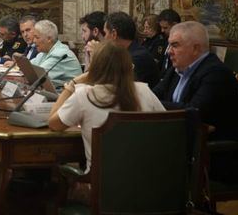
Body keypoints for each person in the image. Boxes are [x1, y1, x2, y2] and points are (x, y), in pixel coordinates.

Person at [49, 42, 165, 174]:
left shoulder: (84, 95)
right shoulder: (144, 90)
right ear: (128, 67)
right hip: (145, 178)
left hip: (103, 184)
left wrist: (72, 84)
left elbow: (53, 124)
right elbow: (166, 128)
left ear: (94, 68)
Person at [152, 21, 238, 142]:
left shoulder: (216, 73)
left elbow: (194, 111)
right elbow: (154, 94)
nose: (168, 51)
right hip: (181, 135)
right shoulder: (176, 69)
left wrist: (153, 103)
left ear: (195, 48)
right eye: (169, 45)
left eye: (175, 45)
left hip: (213, 148)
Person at [102, 12, 159, 87]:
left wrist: (97, 57)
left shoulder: (137, 57)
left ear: (114, 34)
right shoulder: (127, 53)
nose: (104, 39)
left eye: (105, 33)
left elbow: (113, 86)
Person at [30, 20, 82, 88]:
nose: (34, 41)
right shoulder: (44, 52)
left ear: (49, 39)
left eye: (37, 37)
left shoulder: (60, 54)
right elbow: (28, 67)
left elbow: (38, 76)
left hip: (72, 95)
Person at [157, 8, 181, 75]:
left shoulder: (182, 44)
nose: (162, 31)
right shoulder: (165, 40)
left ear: (175, 25)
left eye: (165, 28)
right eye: (161, 27)